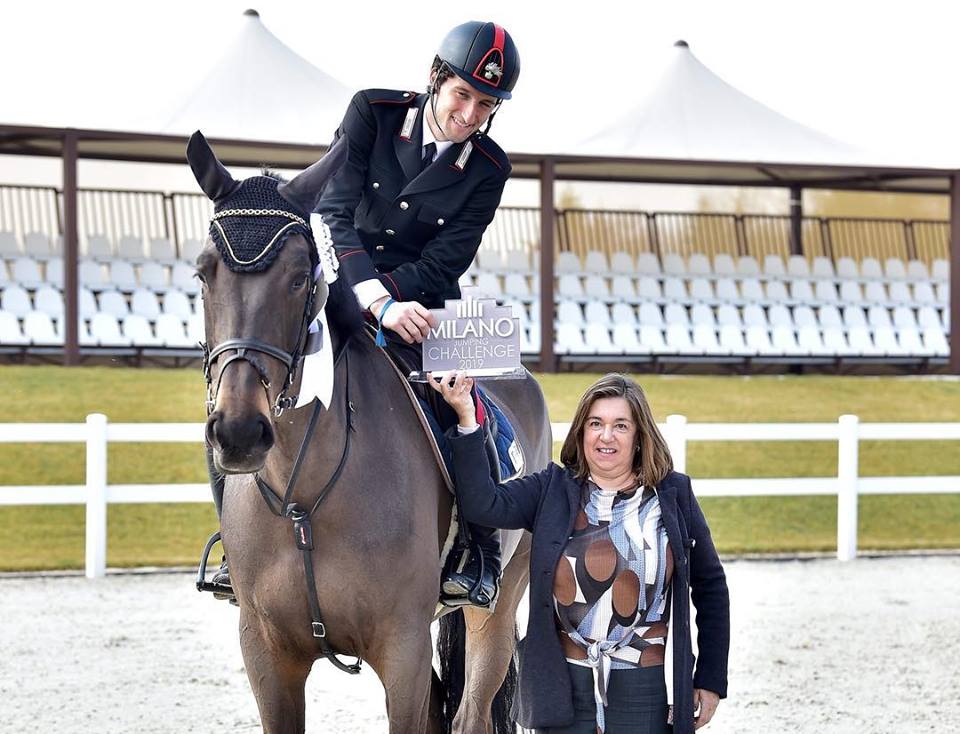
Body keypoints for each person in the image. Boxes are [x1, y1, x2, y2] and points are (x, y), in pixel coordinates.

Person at [310, 20, 522, 609]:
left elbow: (444, 260)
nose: (470, 114)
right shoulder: (372, 113)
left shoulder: (490, 168)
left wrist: (397, 304)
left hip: (423, 305)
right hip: (339, 286)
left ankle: (480, 551)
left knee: (471, 409)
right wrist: (374, 301)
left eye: (486, 104)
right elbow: (333, 212)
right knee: (250, 380)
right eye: (463, 94)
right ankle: (240, 543)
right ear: (435, 78)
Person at [429, 372, 730, 734]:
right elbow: (483, 504)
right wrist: (467, 419)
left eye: (621, 425)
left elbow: (711, 587)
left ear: (639, 436)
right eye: (595, 423)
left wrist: (710, 679)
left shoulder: (673, 496)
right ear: (581, 431)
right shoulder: (551, 490)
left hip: (644, 690)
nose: (606, 435)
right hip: (563, 690)